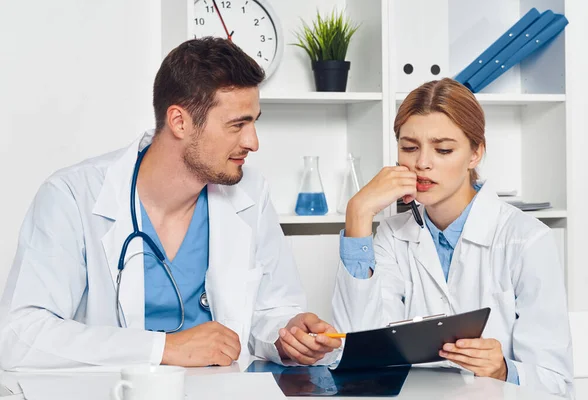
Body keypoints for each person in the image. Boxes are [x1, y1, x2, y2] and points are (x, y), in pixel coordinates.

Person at [0, 37, 341, 370]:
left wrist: (288, 336)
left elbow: (272, 313)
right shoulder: (73, 196)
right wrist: (164, 348)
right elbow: (20, 334)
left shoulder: (250, 193)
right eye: (237, 125)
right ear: (179, 121)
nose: (253, 142)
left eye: (253, 122)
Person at [332, 78, 573, 396]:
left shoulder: (527, 241)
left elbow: (557, 384)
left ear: (475, 154)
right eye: (409, 147)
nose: (422, 163)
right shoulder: (391, 237)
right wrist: (358, 214)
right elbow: (356, 356)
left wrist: (503, 369)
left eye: (443, 149)